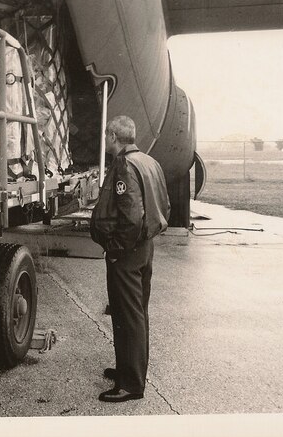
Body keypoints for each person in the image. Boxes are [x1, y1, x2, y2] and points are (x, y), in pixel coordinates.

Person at [89, 115, 170, 403]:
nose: (105, 140)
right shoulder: (149, 162)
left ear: (113, 136)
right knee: (135, 313)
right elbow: (164, 205)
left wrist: (115, 249)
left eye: (106, 135)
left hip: (127, 252)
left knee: (128, 316)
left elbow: (132, 217)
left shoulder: (124, 165)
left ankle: (132, 384)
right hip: (144, 247)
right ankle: (128, 369)